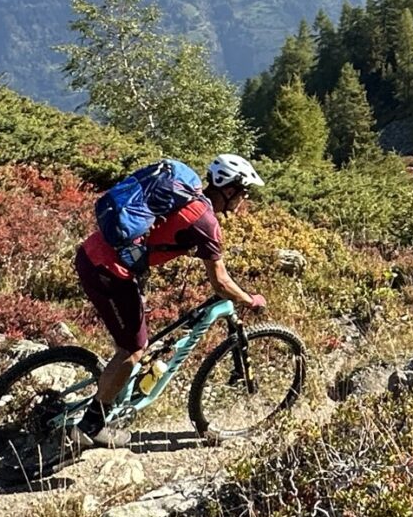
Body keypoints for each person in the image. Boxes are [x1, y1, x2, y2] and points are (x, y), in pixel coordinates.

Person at [70, 153, 267, 449]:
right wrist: (249, 300)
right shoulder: (205, 222)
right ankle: (90, 426)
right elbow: (221, 282)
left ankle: (114, 393)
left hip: (94, 253)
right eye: (243, 192)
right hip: (108, 272)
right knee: (133, 349)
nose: (243, 199)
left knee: (133, 339)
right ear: (229, 189)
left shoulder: (184, 192)